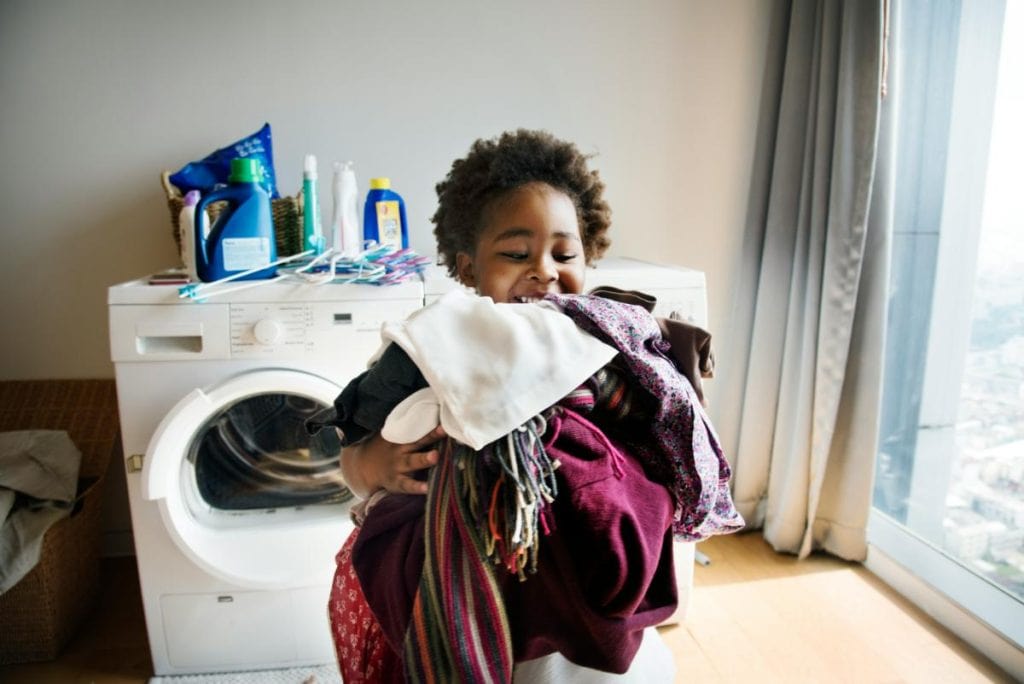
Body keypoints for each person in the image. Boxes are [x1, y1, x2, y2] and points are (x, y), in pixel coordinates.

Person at [313, 129, 742, 683]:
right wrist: (375, 464)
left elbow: (662, 428)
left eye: (564, 254)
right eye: (517, 254)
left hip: (589, 572)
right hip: (467, 565)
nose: (543, 269)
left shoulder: (603, 339)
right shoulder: (437, 341)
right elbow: (351, 447)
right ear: (468, 268)